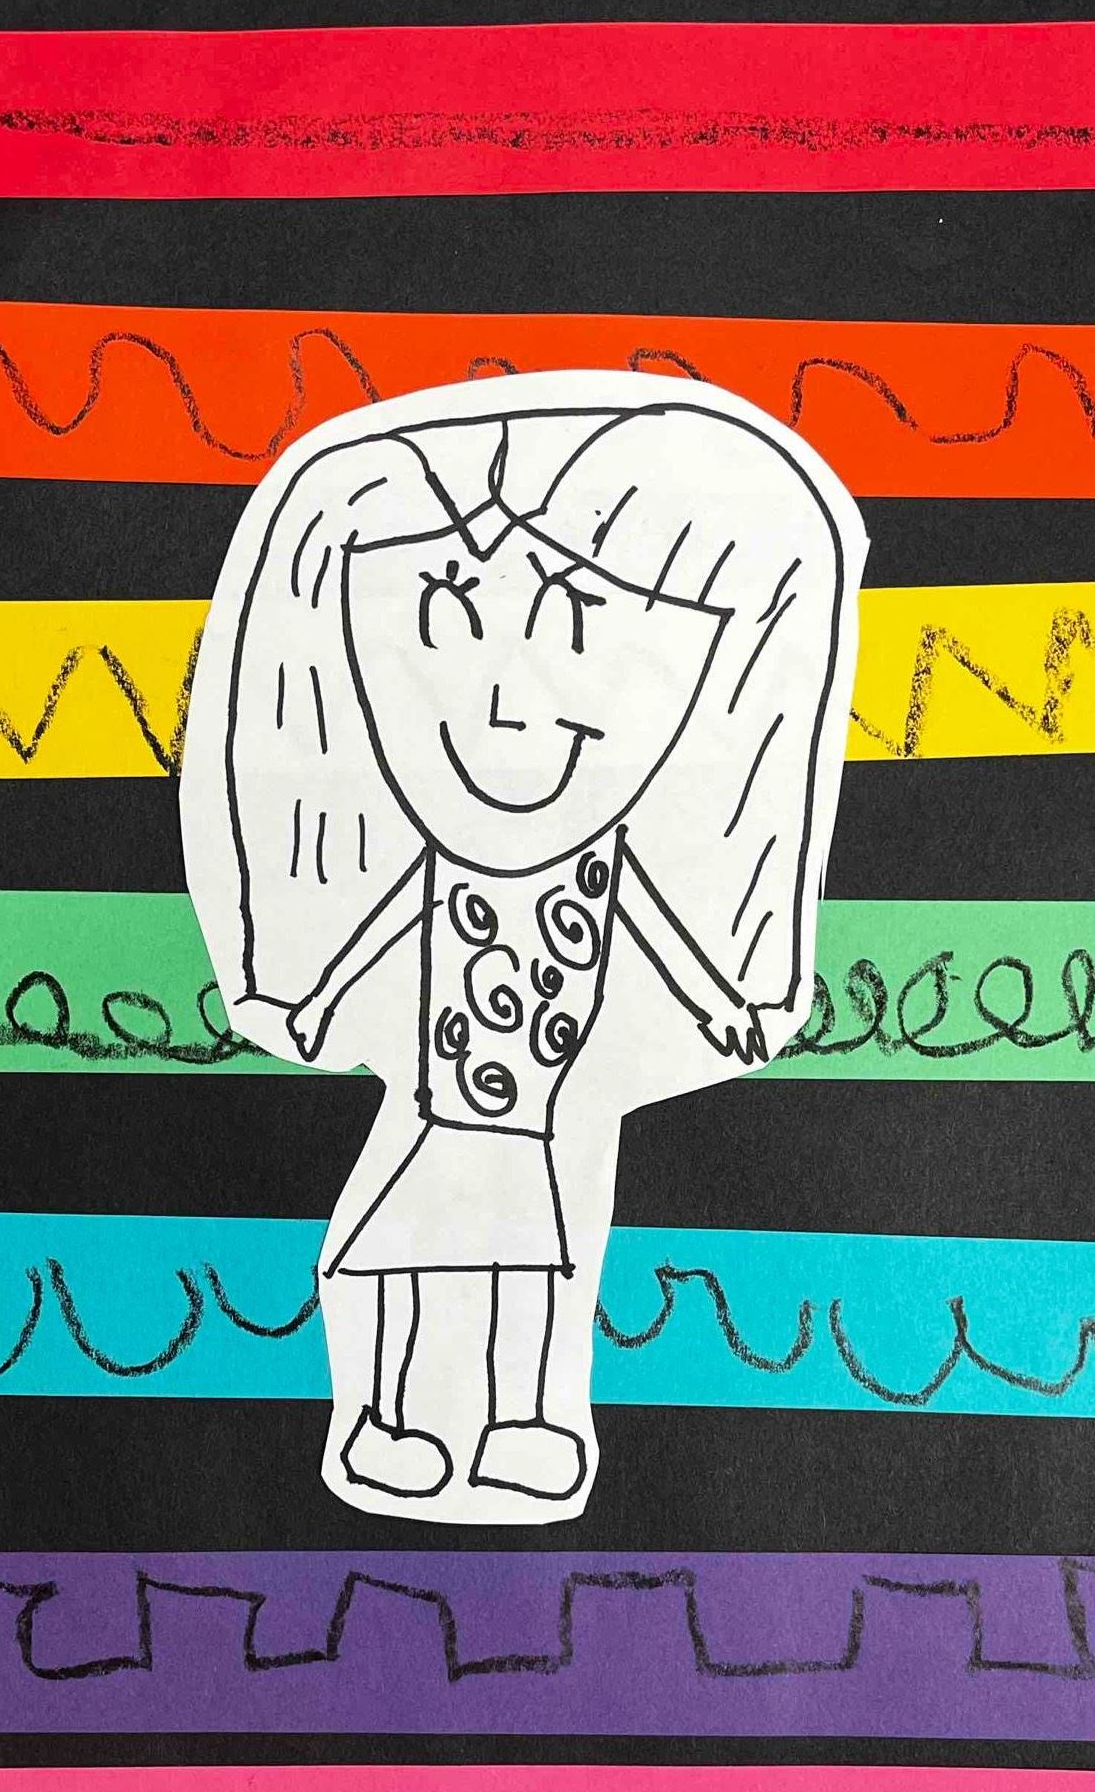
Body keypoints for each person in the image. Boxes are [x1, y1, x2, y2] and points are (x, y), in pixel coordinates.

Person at [182, 370, 865, 1520]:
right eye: (443, 633)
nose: (510, 707)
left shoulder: (600, 859)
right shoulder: (439, 862)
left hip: (538, 1116)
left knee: (532, 1270)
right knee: (412, 1258)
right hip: (445, 1107)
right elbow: (381, 923)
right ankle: (390, 1417)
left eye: (582, 648)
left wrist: (727, 998)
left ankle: (523, 1420)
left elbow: (659, 926)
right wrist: (308, 991)